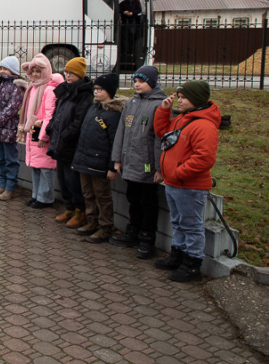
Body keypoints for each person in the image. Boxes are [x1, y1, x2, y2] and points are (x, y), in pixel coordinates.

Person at [153, 81, 221, 282]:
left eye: (183, 98)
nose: (178, 101)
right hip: (174, 183)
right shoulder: (182, 119)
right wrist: (164, 111)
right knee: (178, 222)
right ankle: (178, 255)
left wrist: (177, 173)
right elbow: (162, 132)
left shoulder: (204, 125)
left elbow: (204, 158)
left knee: (191, 225)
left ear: (196, 100)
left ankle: (192, 264)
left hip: (188, 185)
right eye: (179, 97)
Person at [110, 65, 167, 259]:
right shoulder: (131, 102)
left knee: (148, 202)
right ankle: (132, 232)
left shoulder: (159, 105)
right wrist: (117, 158)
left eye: (141, 81)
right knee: (133, 199)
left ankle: (147, 239)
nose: (137, 84)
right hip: (129, 162)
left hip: (147, 165)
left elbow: (160, 138)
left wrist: (159, 168)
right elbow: (122, 132)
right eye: (135, 81)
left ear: (151, 82)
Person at [71, 74, 125, 243]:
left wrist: (111, 166)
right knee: (88, 193)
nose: (96, 92)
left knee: (102, 196)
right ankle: (92, 220)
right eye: (95, 89)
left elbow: (114, 141)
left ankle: (105, 226)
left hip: (100, 163)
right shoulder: (93, 108)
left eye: (100, 89)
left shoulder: (113, 114)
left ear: (109, 91)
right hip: (85, 160)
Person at [46, 57, 94, 226]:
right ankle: (70, 207)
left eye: (71, 72)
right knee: (63, 178)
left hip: (71, 144)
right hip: (59, 141)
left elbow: (78, 120)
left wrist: (66, 134)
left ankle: (80, 211)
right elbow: (57, 113)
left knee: (73, 179)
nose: (68, 75)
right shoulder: (65, 91)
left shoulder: (84, 95)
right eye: (66, 72)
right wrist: (51, 127)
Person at [19, 54, 61, 208]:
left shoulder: (49, 90)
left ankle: (45, 197)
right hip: (33, 132)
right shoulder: (34, 87)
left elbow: (49, 114)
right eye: (33, 71)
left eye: (38, 71)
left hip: (42, 134)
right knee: (36, 166)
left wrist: (43, 135)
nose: (35, 75)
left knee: (45, 168)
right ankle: (36, 194)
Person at [0, 56, 26, 201]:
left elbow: (12, 108)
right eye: (1, 68)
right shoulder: (0, 83)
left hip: (8, 127)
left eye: (5, 68)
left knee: (10, 159)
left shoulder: (16, 86)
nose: (2, 71)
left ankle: (10, 187)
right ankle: (0, 184)